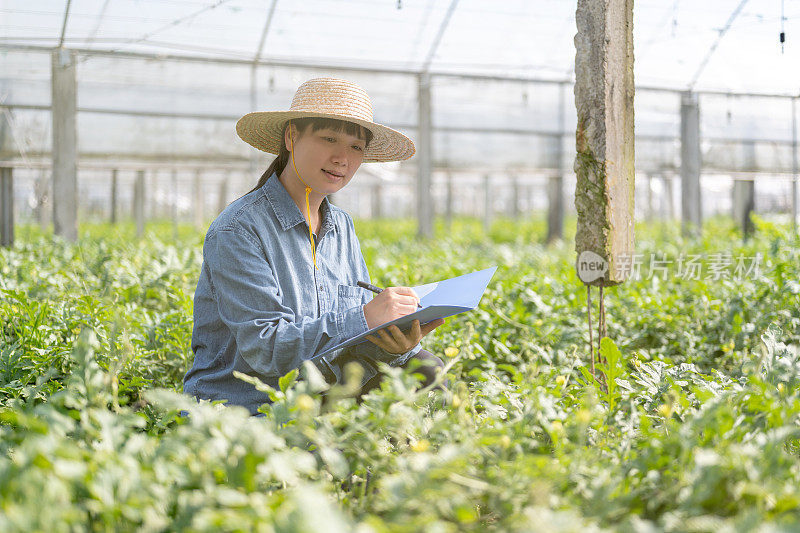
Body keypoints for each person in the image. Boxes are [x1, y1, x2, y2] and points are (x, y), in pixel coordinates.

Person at [183, 77, 447, 415]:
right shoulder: (239, 230)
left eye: (356, 147)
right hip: (253, 405)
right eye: (329, 139)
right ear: (292, 136)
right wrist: (366, 316)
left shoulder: (342, 227)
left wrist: (393, 344)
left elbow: (349, 340)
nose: (342, 158)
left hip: (322, 391)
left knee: (426, 368)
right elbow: (267, 350)